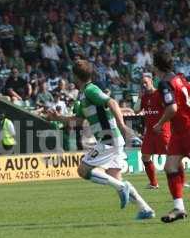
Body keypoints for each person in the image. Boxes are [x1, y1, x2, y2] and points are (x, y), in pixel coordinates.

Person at [47, 59, 155, 220]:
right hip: (112, 139)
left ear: (75, 76)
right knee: (115, 177)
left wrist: (121, 124)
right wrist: (58, 117)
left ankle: (121, 187)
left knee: (83, 170)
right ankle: (145, 209)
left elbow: (111, 101)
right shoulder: (84, 95)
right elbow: (78, 120)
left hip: (108, 138)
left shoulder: (91, 90)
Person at [153, 51, 190, 223]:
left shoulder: (165, 83)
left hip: (187, 130)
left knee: (171, 166)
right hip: (179, 132)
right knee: (170, 166)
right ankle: (179, 208)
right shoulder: (181, 79)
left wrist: (160, 124)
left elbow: (172, 108)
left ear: (155, 66)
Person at [133, 73, 171, 189]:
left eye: (146, 82)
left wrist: (162, 124)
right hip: (150, 133)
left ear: (151, 81)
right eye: (142, 83)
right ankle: (153, 183)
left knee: (173, 157)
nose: (144, 85)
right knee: (145, 157)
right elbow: (136, 111)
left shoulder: (159, 94)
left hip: (162, 131)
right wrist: (139, 97)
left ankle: (178, 180)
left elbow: (170, 110)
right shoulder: (144, 97)